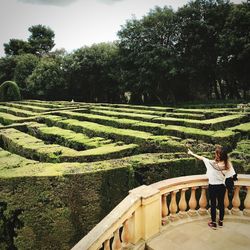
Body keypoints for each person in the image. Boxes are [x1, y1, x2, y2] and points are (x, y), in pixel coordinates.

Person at [188, 145, 236, 230]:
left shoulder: (211, 163)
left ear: (218, 155)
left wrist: (191, 153)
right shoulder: (228, 164)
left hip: (213, 186)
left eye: (216, 153)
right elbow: (232, 175)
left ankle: (213, 223)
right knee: (221, 204)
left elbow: (201, 158)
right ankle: (220, 221)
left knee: (213, 205)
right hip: (222, 186)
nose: (215, 154)